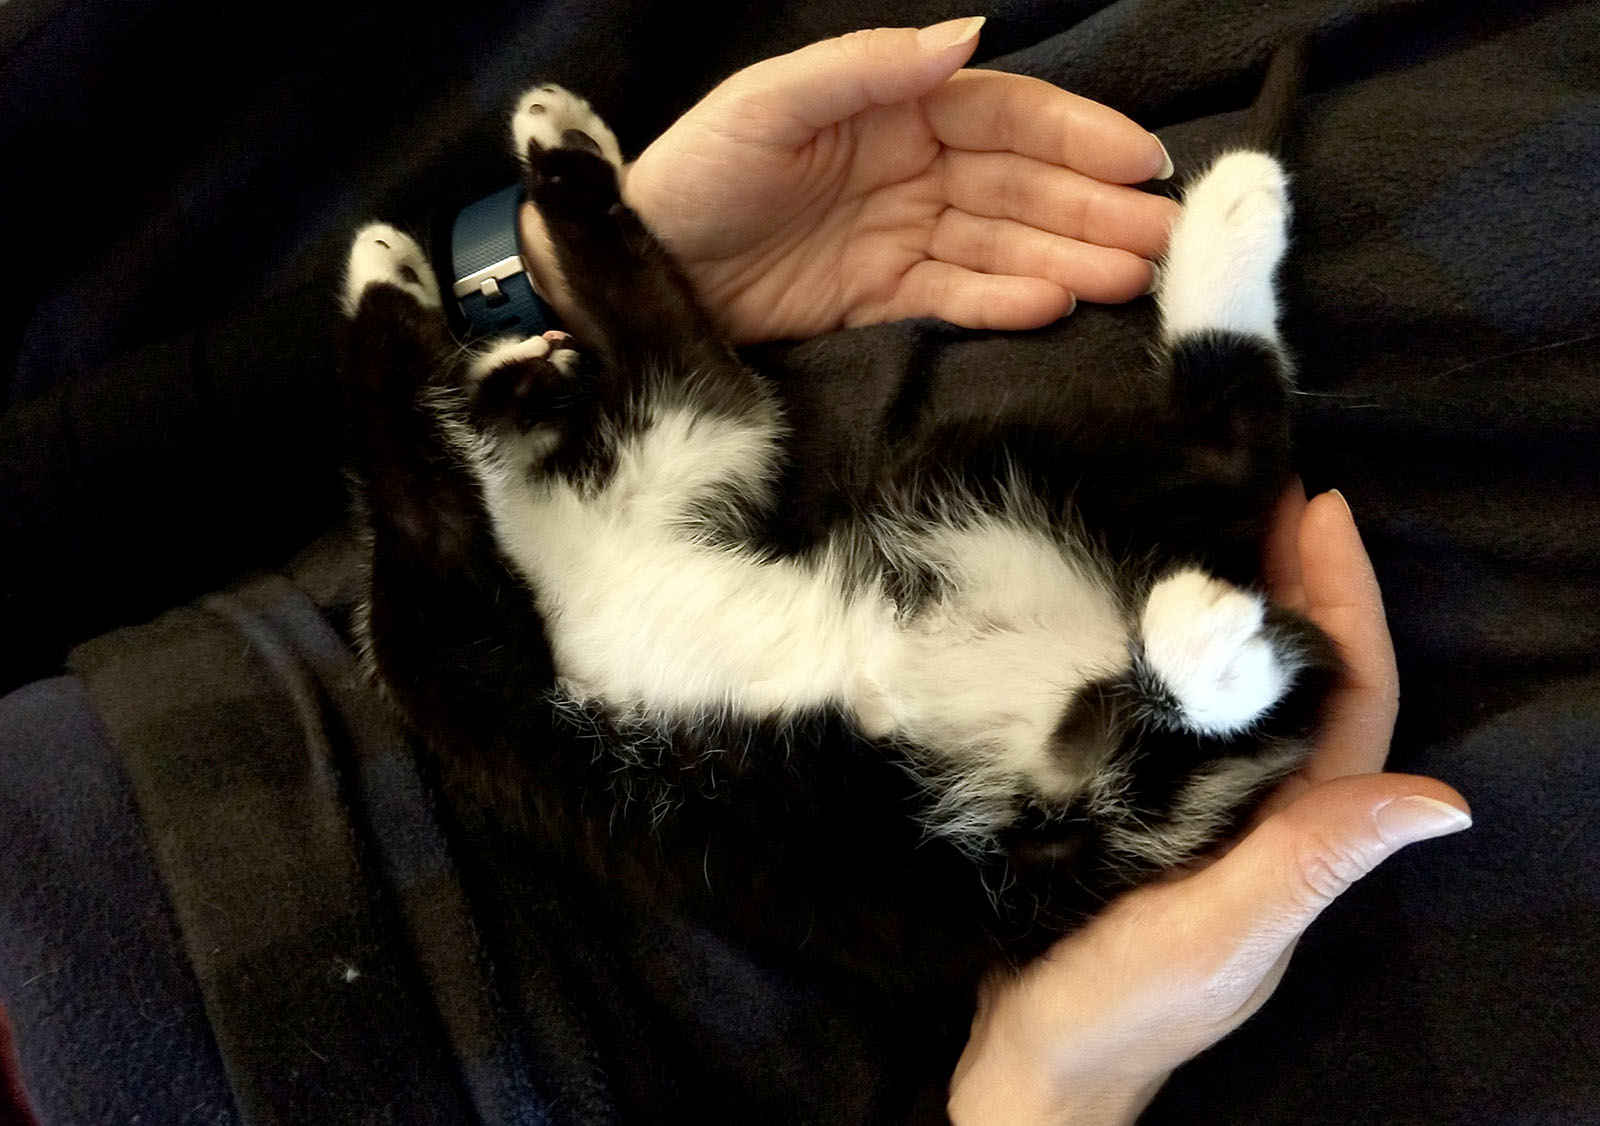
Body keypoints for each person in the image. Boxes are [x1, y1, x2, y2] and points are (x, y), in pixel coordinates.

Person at [509, 21, 1472, 1121]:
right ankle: (1200, 598)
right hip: (923, 851)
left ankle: (1216, 435)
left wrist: (512, 276)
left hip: (803, 666)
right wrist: (1053, 1083)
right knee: (1095, 791)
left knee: (1022, 488)